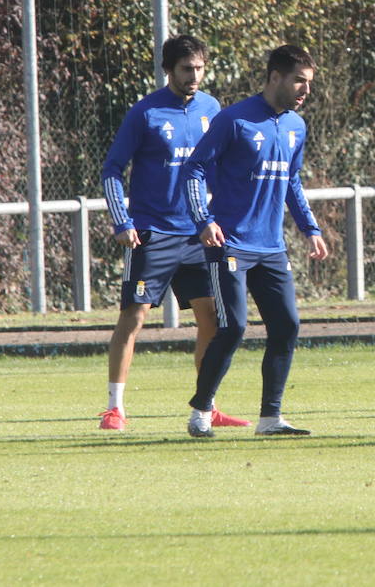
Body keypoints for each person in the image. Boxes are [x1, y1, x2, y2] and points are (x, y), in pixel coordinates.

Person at [97, 34, 248, 431]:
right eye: (185, 69)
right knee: (134, 317)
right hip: (153, 233)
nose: (193, 76)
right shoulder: (145, 113)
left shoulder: (212, 109)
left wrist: (222, 215)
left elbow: (221, 167)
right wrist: (122, 221)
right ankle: (114, 408)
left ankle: (207, 405)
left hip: (198, 234)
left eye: (199, 68)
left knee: (211, 318)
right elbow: (112, 169)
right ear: (168, 70)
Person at [178, 45, 329, 438]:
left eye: (309, 83)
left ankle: (270, 419)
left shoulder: (296, 126)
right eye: (298, 81)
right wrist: (203, 220)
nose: (305, 90)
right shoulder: (234, 120)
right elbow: (193, 168)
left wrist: (310, 228)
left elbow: (292, 180)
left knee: (287, 325)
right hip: (229, 243)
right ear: (275, 77)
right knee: (233, 327)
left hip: (271, 247)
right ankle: (202, 411)